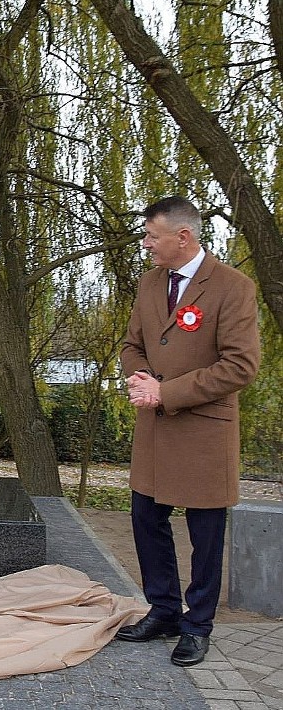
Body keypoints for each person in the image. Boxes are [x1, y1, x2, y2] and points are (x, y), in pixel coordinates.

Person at [116, 196, 260, 666]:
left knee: (205, 535)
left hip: (203, 432)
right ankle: (162, 611)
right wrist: (140, 379)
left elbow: (240, 366)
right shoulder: (149, 283)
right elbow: (133, 344)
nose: (146, 245)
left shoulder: (232, 287)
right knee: (146, 521)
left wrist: (167, 392)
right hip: (155, 431)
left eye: (152, 236)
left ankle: (197, 625)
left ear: (183, 236)